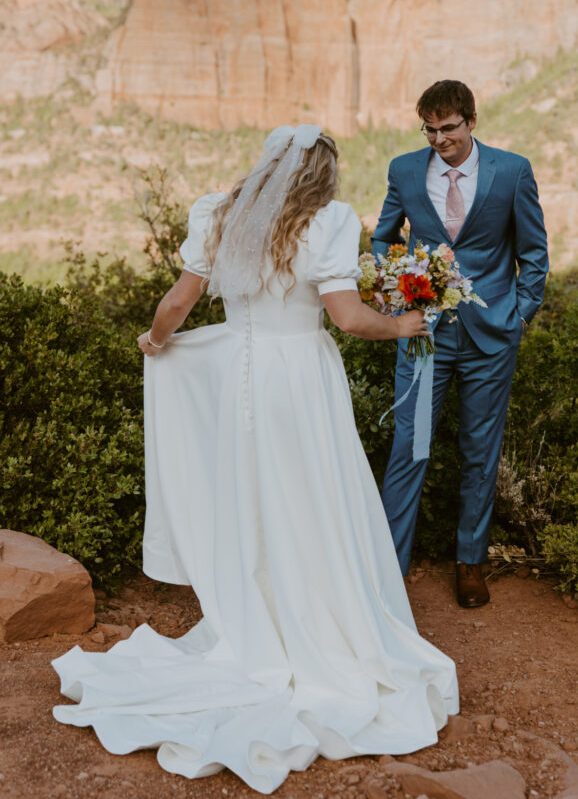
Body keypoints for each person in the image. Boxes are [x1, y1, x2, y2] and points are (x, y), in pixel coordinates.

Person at [51, 124, 458, 794]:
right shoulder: (327, 221)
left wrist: (154, 342)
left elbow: (178, 302)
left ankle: (261, 613)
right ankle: (317, 614)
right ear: (322, 176)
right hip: (299, 376)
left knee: (257, 494)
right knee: (310, 493)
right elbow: (349, 318)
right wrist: (404, 326)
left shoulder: (220, 214)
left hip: (240, 376)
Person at [372, 80, 549, 608]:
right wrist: (397, 289)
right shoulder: (404, 170)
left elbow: (534, 252)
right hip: (424, 334)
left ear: (471, 121)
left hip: (491, 336)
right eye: (429, 129)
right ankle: (387, 565)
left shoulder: (512, 171)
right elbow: (384, 235)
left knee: (479, 450)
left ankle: (470, 563)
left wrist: (518, 315)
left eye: (448, 128)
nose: (438, 139)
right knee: (410, 445)